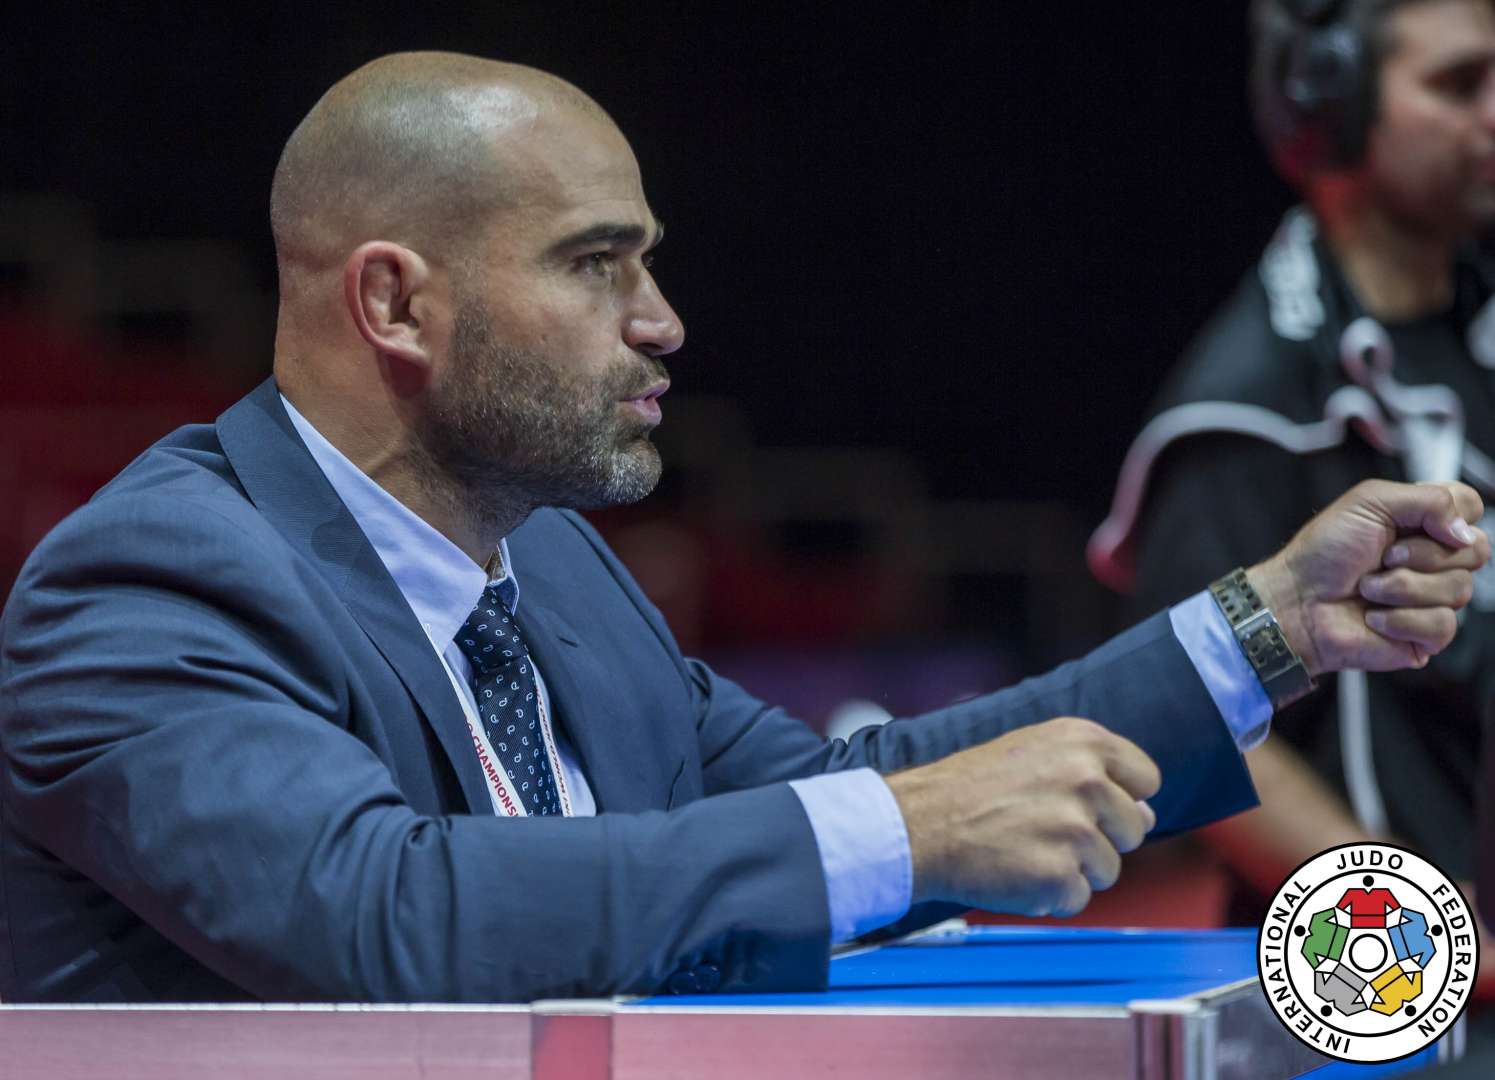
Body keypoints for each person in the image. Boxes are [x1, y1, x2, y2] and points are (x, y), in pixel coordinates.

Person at [0, 53, 1486, 1006]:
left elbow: (847, 789)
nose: (661, 324)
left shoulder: (555, 568)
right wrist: (898, 833)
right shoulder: (149, 583)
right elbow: (384, 914)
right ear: (394, 301)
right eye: (595, 266)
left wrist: (1258, 630)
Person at [1089, 0, 1495, 928]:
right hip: (1381, 1009)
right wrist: (1422, 929)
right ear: (1332, 103)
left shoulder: (1478, 336)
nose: (1493, 113)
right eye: (1457, 83)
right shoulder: (1254, 405)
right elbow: (1181, 719)